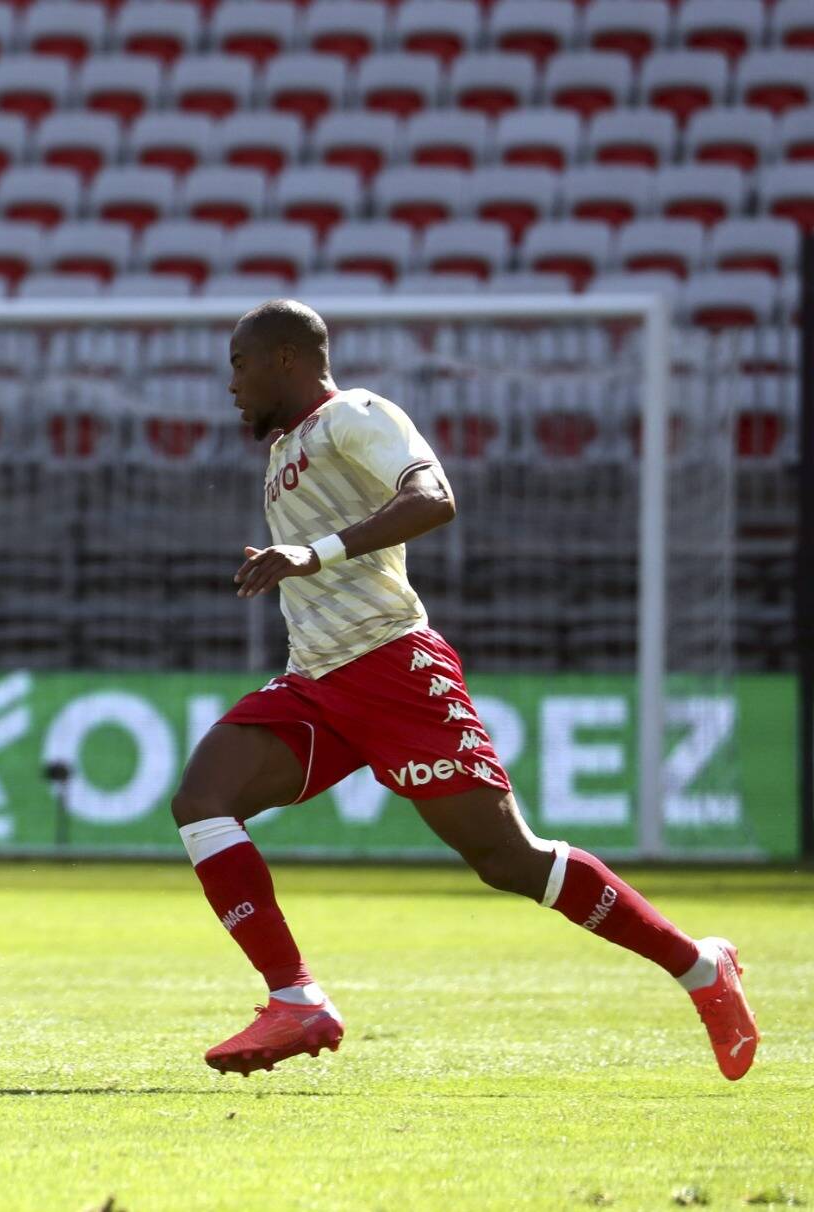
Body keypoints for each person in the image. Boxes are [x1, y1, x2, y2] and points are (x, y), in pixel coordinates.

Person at [171, 299, 759, 1080]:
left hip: (391, 668)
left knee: (509, 860)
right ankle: (297, 998)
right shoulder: (284, 446)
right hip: (315, 680)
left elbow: (434, 496)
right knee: (202, 799)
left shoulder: (356, 414)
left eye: (240, 365)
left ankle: (698, 967)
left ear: (286, 358)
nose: (231, 385)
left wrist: (312, 554)